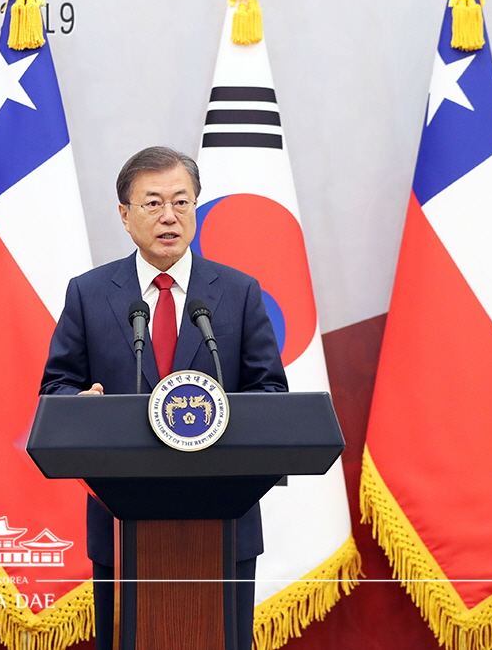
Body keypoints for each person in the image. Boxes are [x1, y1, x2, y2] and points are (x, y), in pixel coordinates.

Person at [39, 146, 287, 650]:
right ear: (125, 217)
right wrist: (81, 407)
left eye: (182, 201)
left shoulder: (238, 292)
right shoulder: (89, 294)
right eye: (153, 204)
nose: (169, 216)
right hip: (121, 518)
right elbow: (56, 387)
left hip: (225, 518)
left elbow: (271, 393)